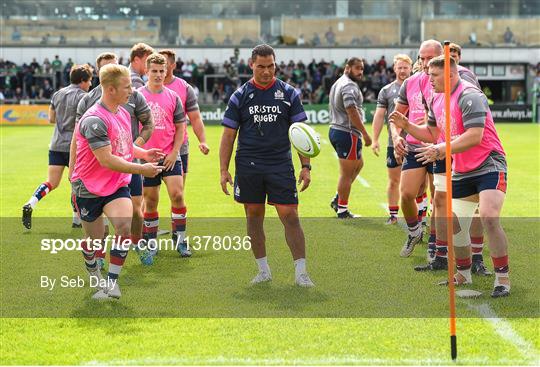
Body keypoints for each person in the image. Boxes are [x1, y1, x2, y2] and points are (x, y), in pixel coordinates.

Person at [390, 55, 510, 297]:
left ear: (449, 75)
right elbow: (433, 132)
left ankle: (502, 279)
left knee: (488, 216)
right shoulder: (435, 98)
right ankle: (463, 274)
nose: (428, 79)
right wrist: (407, 126)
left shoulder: (470, 95)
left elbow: (475, 135)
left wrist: (441, 149)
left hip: (489, 163)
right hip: (462, 168)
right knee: (454, 223)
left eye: (433, 75)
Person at [219, 44, 314, 287]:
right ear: (251, 65)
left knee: (290, 215)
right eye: (261, 66)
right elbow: (228, 136)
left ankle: (301, 272)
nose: (266, 71)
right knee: (253, 217)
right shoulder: (240, 95)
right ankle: (263, 270)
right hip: (249, 165)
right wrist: (223, 170)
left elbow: (301, 132)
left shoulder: (289, 93)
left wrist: (306, 166)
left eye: (270, 66)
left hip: (280, 164)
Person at [71, 64, 164, 299]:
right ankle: (94, 272)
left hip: (116, 184)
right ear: (111, 89)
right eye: (127, 86)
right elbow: (107, 159)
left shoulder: (122, 112)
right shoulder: (94, 120)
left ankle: (111, 284)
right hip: (88, 188)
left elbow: (123, 145)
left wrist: (144, 154)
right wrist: (142, 168)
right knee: (95, 241)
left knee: (123, 226)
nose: (132, 91)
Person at [22, 64, 94, 230]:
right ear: (83, 81)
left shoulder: (57, 94)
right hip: (75, 146)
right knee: (77, 182)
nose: (90, 84)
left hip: (56, 144)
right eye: (89, 80)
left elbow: (51, 119)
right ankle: (77, 220)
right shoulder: (85, 97)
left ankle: (31, 202)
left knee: (52, 182)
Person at [136, 53, 187, 261]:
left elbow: (180, 128)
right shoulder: (136, 96)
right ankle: (151, 242)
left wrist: (175, 153)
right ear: (146, 72)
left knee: (177, 195)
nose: (158, 75)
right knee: (151, 201)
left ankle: (181, 239)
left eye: (161, 71)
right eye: (154, 71)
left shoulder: (173, 97)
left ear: (166, 71)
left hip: (169, 156)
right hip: (147, 158)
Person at [159, 49, 210, 255]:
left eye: (164, 64)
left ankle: (177, 235)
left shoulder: (183, 87)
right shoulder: (146, 87)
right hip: (151, 149)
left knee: (177, 194)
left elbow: (195, 118)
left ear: (173, 65)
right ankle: (146, 237)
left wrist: (203, 140)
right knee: (147, 197)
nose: (160, 68)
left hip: (180, 147)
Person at [328, 57, 372, 218]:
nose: (360, 72)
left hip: (336, 129)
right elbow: (351, 110)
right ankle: (342, 210)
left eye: (362, 69)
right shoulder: (349, 85)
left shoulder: (339, 82)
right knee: (346, 174)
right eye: (357, 68)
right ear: (348, 68)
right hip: (347, 133)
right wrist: (365, 134)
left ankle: (338, 199)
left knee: (359, 164)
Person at [371, 54, 413, 225]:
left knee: (417, 184)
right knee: (394, 180)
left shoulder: (418, 87)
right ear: (394, 68)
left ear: (411, 68)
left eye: (405, 67)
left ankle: (419, 215)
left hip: (416, 142)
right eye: (399, 67)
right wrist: (375, 139)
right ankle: (393, 214)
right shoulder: (387, 91)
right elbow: (380, 115)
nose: (402, 70)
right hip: (394, 143)